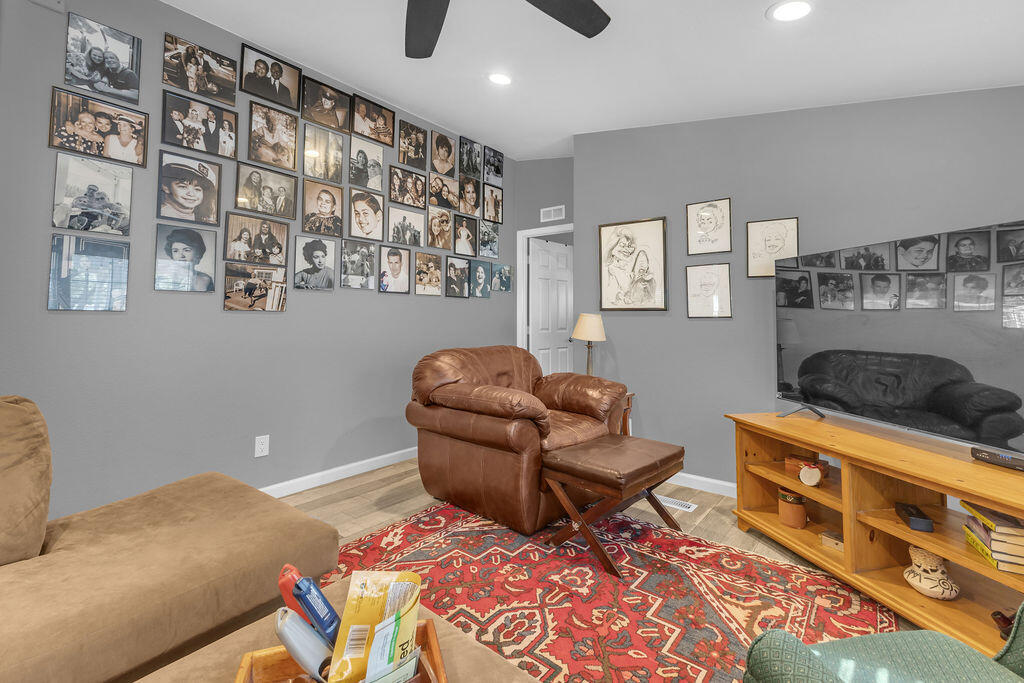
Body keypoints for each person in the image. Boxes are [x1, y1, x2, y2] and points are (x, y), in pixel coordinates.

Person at [158, 157, 217, 224]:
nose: (191, 194)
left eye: (197, 189)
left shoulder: (202, 218)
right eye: (183, 187)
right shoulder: (164, 214)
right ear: (166, 187)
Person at [158, 227, 213, 292]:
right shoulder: (163, 278)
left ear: (197, 253)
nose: (181, 255)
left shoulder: (206, 279)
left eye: (187, 250)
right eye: (175, 251)